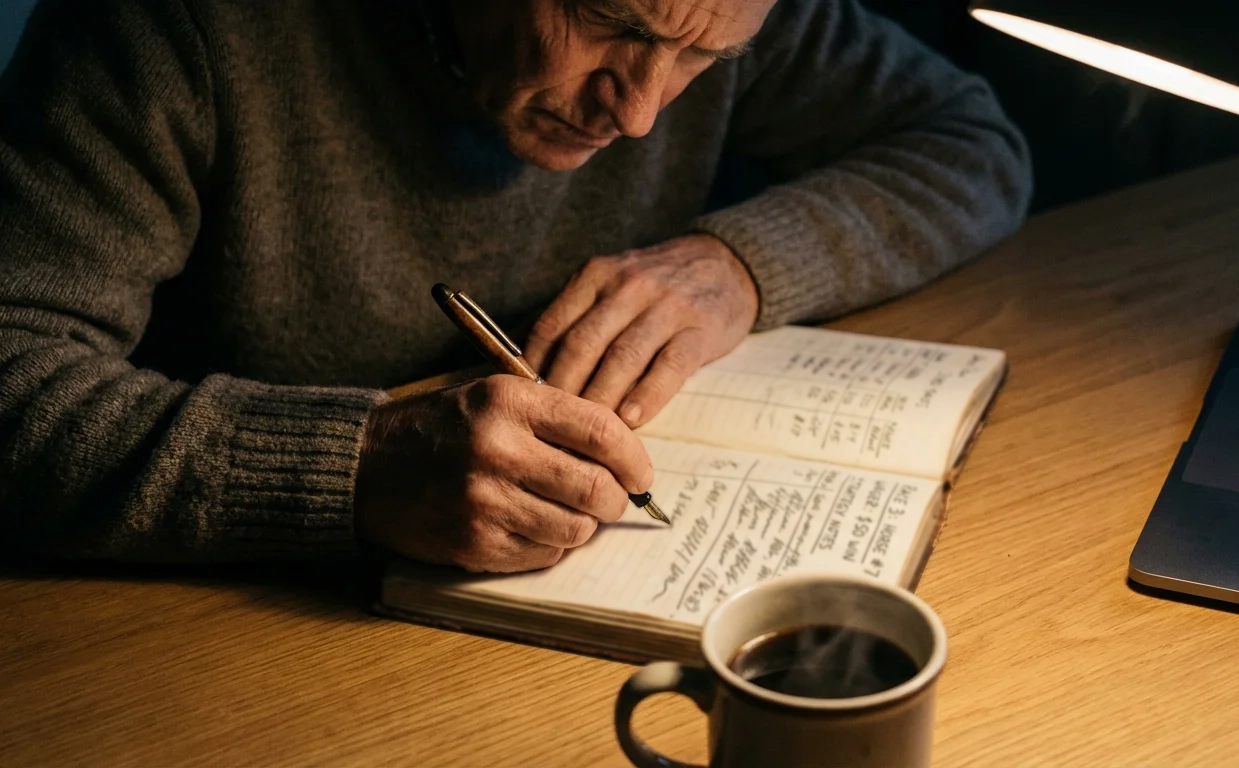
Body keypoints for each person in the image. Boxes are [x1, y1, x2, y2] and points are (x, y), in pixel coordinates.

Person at [0, 0, 1031, 572]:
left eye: (701, 61)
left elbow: (971, 145)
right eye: (610, 25)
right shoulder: (171, 28)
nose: (641, 114)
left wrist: (738, 268)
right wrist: (349, 468)